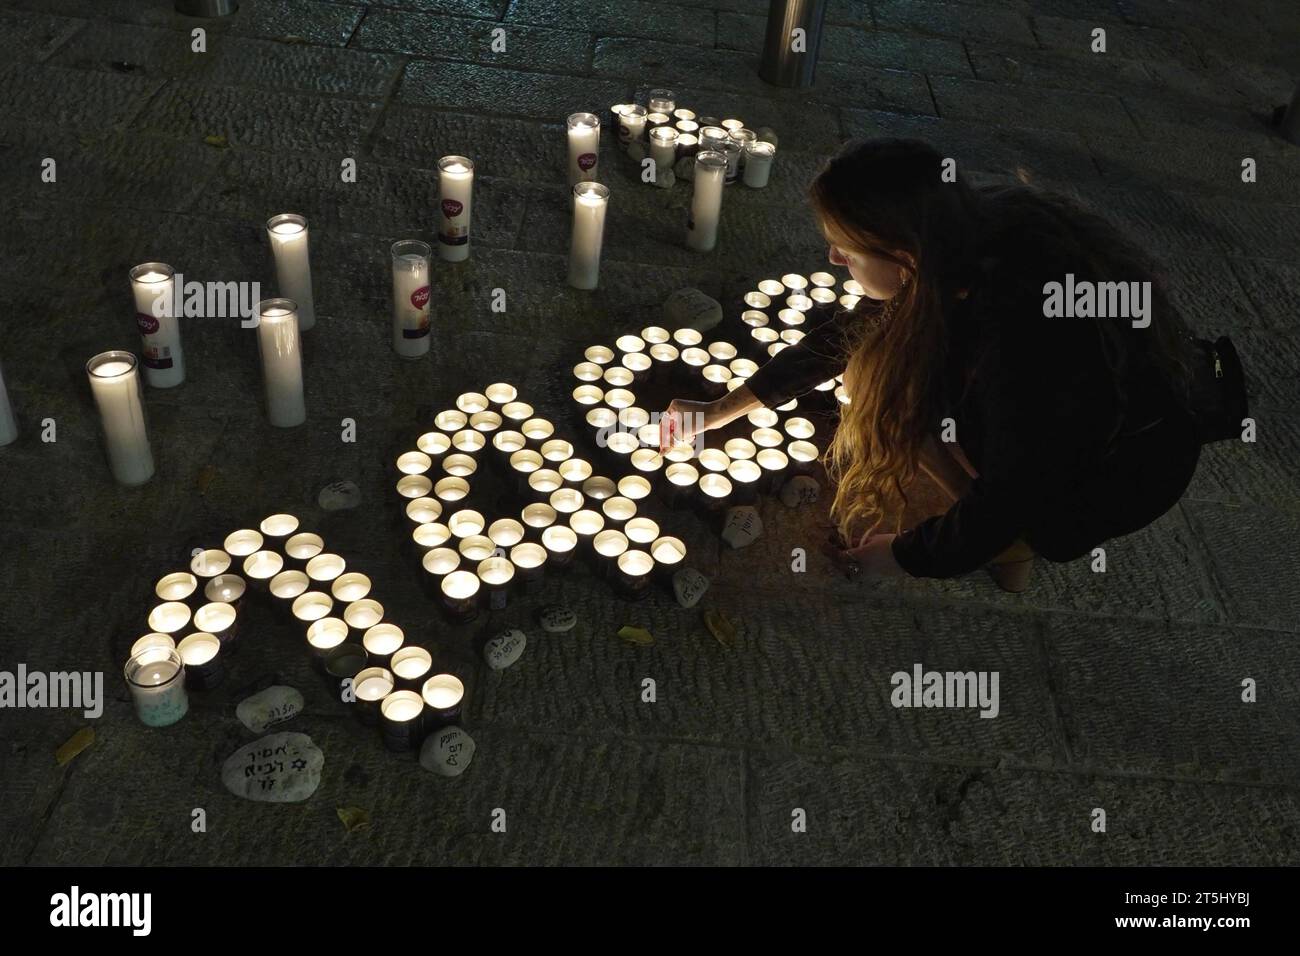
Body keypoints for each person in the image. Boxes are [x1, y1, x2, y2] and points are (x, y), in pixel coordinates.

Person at [661, 138, 1202, 592]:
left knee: (899, 403)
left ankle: (1019, 551)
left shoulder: (1021, 346)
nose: (832, 261)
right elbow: (846, 335)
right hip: (1065, 431)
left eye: (846, 252)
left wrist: (902, 556)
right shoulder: (954, 232)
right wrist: (719, 410)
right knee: (886, 380)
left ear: (905, 258)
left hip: (1124, 471)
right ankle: (1001, 531)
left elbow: (1013, 492)